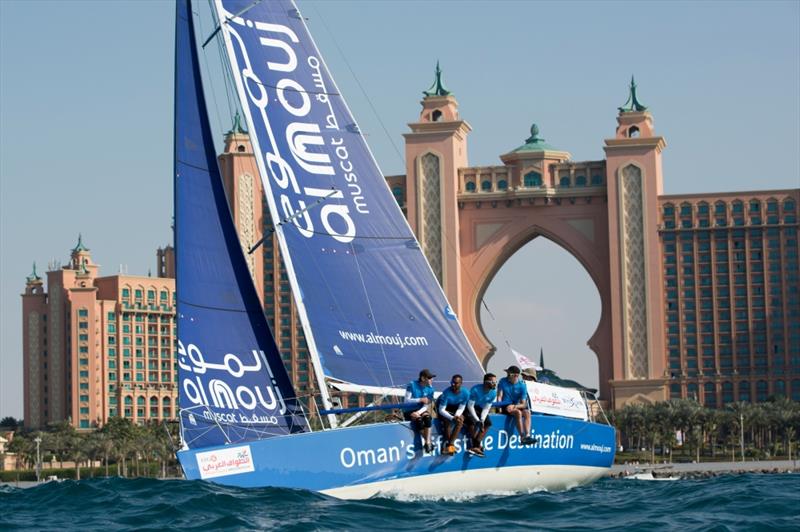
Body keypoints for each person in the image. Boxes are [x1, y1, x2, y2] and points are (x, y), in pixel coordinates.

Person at [497, 365, 535, 445]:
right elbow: (499, 396)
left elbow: (523, 404)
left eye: (509, 374)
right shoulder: (503, 381)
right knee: (518, 413)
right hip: (505, 405)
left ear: (516, 376)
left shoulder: (522, 385)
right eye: (507, 373)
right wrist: (499, 408)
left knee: (527, 412)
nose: (507, 375)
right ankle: (522, 437)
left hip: (515, 406)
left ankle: (527, 435)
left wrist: (514, 406)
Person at [465, 373, 497, 457]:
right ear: (486, 382)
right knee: (472, 422)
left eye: (495, 382)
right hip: (468, 407)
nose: (495, 384)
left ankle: (477, 443)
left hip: (479, 408)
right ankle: (475, 446)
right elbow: (470, 406)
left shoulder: (493, 392)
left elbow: (486, 408)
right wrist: (477, 420)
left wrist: (482, 420)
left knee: (488, 423)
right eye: (492, 382)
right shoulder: (475, 390)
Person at [437, 374, 470, 455]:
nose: (453, 384)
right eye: (452, 382)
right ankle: (450, 446)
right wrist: (452, 418)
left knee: (460, 420)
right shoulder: (446, 393)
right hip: (444, 408)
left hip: (456, 408)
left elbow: (462, 407)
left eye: (456, 383)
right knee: (447, 420)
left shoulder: (466, 393)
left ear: (461, 383)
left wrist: (457, 415)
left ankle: (449, 445)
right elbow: (441, 410)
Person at [405, 368, 435, 452]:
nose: (431, 380)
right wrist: (419, 399)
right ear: (422, 378)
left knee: (428, 418)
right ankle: (428, 443)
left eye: (431, 378)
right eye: (429, 378)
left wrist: (418, 412)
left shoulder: (431, 389)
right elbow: (406, 400)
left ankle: (427, 442)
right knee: (418, 419)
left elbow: (427, 405)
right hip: (409, 409)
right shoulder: (412, 384)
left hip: (420, 409)